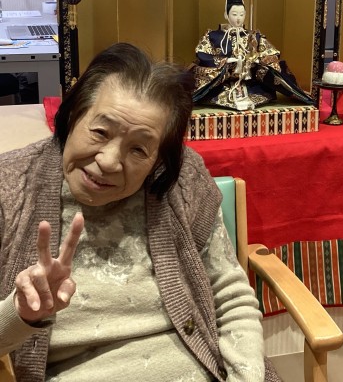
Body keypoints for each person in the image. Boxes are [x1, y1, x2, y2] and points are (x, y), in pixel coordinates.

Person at [0, 43, 280, 382]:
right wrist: (20, 313)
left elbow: (230, 296)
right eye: (100, 132)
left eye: (138, 149)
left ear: (159, 159)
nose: (109, 161)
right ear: (73, 115)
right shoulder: (9, 188)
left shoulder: (181, 182)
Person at [190, 0, 315, 110]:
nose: (238, 18)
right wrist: (226, 61)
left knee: (273, 69)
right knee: (201, 75)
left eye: (241, 14)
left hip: (251, 85)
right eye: (234, 14)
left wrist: (256, 60)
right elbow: (202, 55)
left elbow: (271, 54)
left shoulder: (254, 36)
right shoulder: (213, 36)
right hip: (221, 85)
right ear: (226, 15)